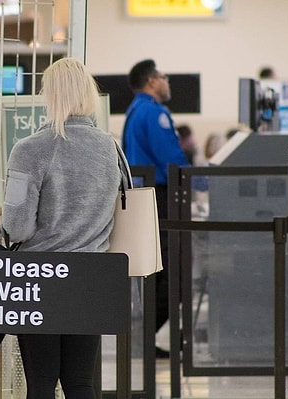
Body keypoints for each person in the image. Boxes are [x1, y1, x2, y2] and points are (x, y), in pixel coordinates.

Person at [0, 57, 120, 399]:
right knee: (81, 383)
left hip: (42, 278)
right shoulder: (109, 147)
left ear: (50, 95)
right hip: (92, 277)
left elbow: (17, 226)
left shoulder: (30, 149)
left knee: (41, 382)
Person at [121, 59, 190, 358]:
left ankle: (146, 334)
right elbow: (171, 159)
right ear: (151, 81)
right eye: (164, 77)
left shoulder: (134, 111)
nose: (167, 82)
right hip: (163, 196)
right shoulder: (154, 113)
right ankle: (146, 334)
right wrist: (199, 184)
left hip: (145, 196)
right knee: (175, 271)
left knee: (159, 269)